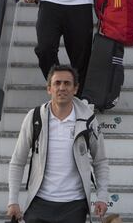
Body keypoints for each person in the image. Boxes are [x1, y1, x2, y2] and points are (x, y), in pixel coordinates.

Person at [7, 64, 109, 223]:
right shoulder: (34, 118)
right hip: (38, 204)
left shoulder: (88, 121)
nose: (62, 87)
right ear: (49, 88)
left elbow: (100, 161)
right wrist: (13, 200)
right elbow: (17, 161)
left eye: (67, 83)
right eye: (57, 83)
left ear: (75, 89)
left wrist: (102, 196)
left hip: (74, 206)